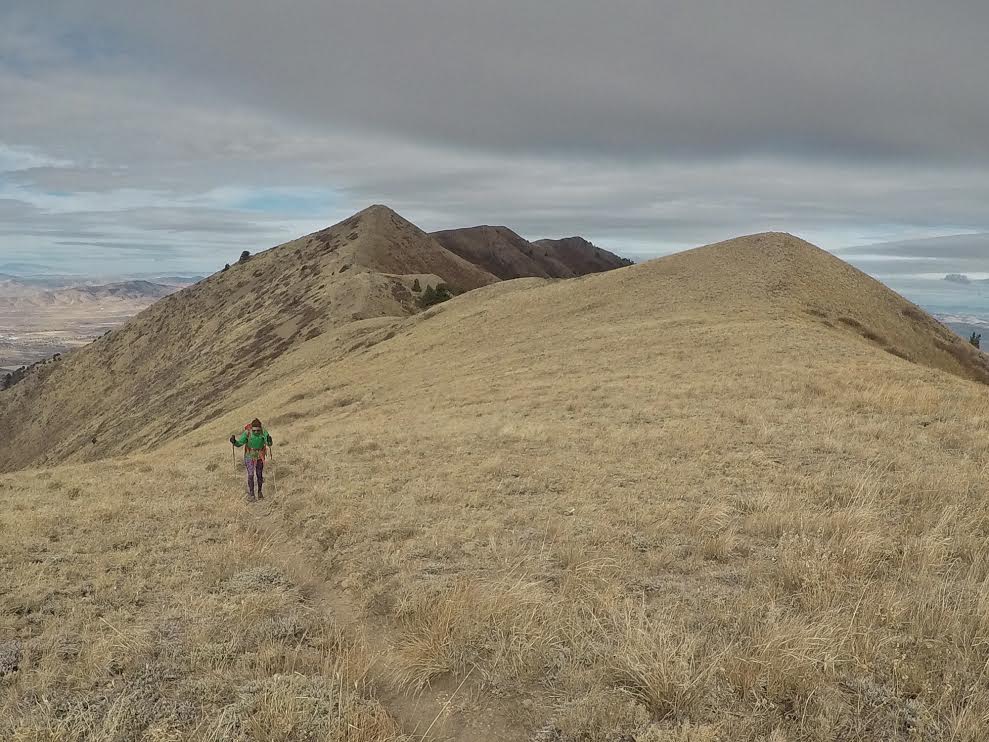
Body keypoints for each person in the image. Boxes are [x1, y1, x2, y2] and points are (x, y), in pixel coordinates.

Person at [230, 418, 273, 502]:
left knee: (259, 474)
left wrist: (269, 440)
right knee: (250, 475)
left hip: (260, 456)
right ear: (251, 429)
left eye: (258, 430)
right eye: (254, 430)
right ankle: (252, 494)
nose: (256, 432)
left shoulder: (264, 432)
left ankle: (260, 492)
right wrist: (234, 441)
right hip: (249, 456)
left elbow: (269, 444)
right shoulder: (247, 433)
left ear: (260, 428)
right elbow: (239, 444)